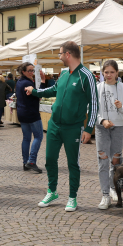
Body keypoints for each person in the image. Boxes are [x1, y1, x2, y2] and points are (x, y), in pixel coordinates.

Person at [26, 41, 98, 212]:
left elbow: (94, 104)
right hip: (54, 125)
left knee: (73, 163)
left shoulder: (86, 75)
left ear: (68, 54)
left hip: (73, 127)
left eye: (60, 54)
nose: (59, 57)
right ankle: (52, 191)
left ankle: (72, 197)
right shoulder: (64, 74)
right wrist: (34, 91)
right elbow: (53, 90)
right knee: (50, 160)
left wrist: (88, 128)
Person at [95, 60, 123, 210]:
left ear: (117, 73)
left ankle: (114, 189)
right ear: (102, 73)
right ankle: (105, 194)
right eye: (106, 72)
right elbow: (91, 109)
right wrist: (102, 120)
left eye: (112, 72)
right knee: (102, 161)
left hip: (118, 128)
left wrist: (121, 107)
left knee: (116, 161)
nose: (109, 75)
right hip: (101, 128)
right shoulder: (98, 88)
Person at [15, 62, 43, 174]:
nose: (32, 73)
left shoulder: (19, 81)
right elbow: (39, 95)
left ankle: (25, 161)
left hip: (22, 113)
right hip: (31, 113)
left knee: (26, 138)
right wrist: (43, 82)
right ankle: (31, 161)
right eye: (29, 71)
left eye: (33, 70)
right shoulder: (27, 83)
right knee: (38, 136)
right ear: (23, 71)